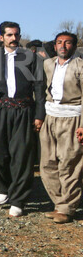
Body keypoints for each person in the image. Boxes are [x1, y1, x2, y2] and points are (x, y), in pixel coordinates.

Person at [0, 21, 46, 218]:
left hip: (23, 110)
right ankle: (4, 189)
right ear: (1, 37)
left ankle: (18, 200)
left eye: (16, 35)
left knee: (21, 157)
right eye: (9, 35)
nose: (13, 38)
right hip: (0, 109)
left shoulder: (31, 58)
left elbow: (39, 88)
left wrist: (39, 115)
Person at [39, 32, 83, 224]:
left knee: (69, 163)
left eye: (67, 43)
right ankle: (59, 203)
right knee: (47, 163)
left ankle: (67, 208)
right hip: (51, 117)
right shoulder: (48, 64)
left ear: (74, 46)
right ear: (54, 45)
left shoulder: (80, 66)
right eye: (59, 43)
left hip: (72, 118)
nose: (63, 46)